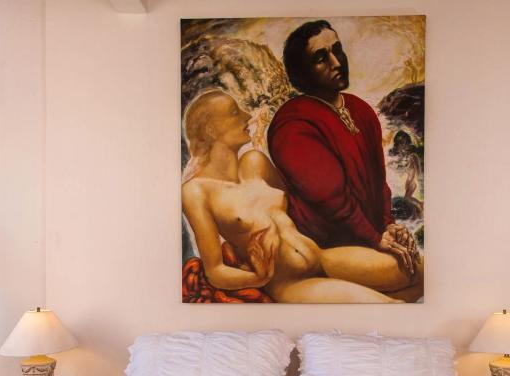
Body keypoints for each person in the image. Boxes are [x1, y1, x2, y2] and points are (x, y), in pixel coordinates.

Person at [181, 90, 422, 303]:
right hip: (291, 282)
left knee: (421, 271)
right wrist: (257, 278)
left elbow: (301, 207)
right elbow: (215, 271)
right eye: (235, 112)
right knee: (390, 309)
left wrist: (382, 228)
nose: (248, 116)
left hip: (322, 257)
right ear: (211, 129)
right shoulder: (196, 191)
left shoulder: (255, 162)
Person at [267, 20, 418, 275]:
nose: (336, 62)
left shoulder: (360, 109)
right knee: (415, 275)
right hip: (321, 250)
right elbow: (332, 201)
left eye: (337, 50)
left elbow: (378, 182)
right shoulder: (293, 124)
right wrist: (375, 237)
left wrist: (388, 225)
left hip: (370, 239)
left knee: (415, 272)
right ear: (302, 72)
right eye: (321, 58)